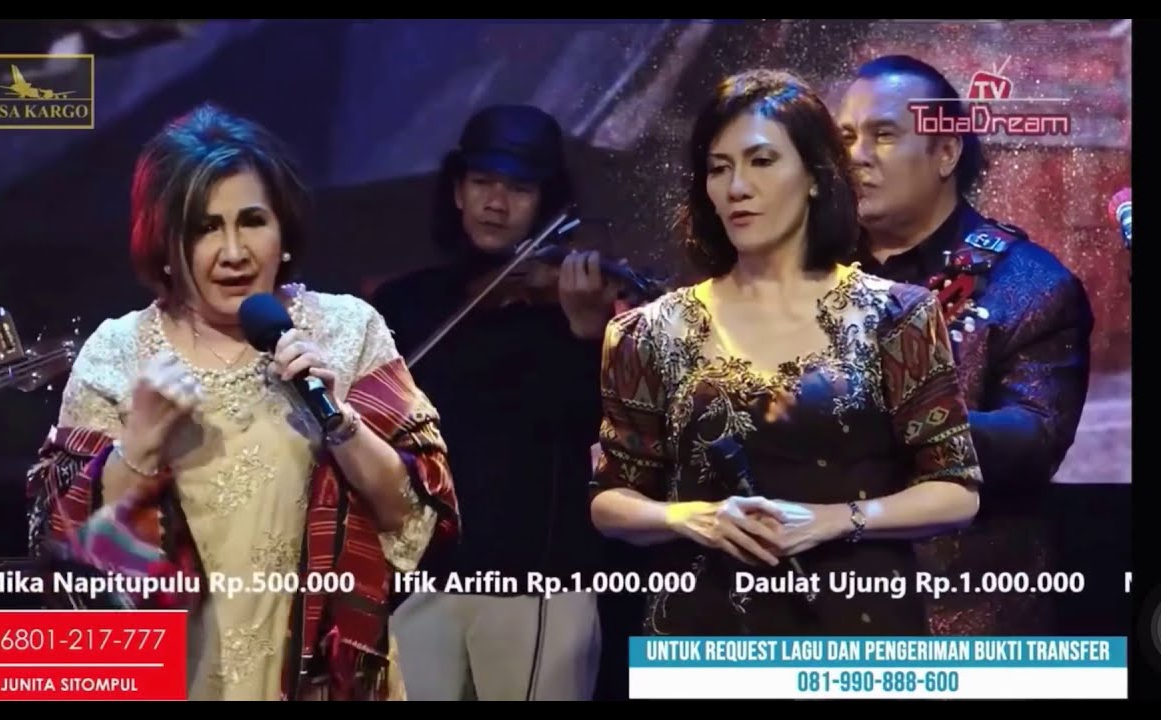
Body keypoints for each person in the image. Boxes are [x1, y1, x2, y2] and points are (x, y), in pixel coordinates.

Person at [24, 102, 460, 701]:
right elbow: (69, 552)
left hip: (321, 679)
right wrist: (138, 449)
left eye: (252, 221)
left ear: (283, 232)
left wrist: (342, 422)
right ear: (165, 244)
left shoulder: (345, 330)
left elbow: (415, 515)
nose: (234, 251)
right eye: (206, 228)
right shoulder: (119, 352)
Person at [589, 69, 982, 637]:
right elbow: (611, 501)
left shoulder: (897, 316)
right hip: (703, 634)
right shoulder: (648, 331)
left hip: (857, 628)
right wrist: (690, 517)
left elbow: (955, 491)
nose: (737, 187)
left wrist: (832, 520)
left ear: (816, 177)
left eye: (761, 161)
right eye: (718, 168)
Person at [836, 55, 1094, 635]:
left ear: (946, 152)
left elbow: (1035, 439)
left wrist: (889, 415)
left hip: (960, 618)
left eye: (883, 135)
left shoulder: (1030, 284)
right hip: (811, 612)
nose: (856, 156)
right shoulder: (802, 272)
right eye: (846, 137)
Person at [371, 104, 616, 700]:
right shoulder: (405, 304)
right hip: (422, 581)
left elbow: (606, 436)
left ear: (547, 203)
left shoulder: (573, 311)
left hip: (536, 585)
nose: (496, 204)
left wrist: (587, 338)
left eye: (520, 189)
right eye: (482, 182)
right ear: (458, 191)